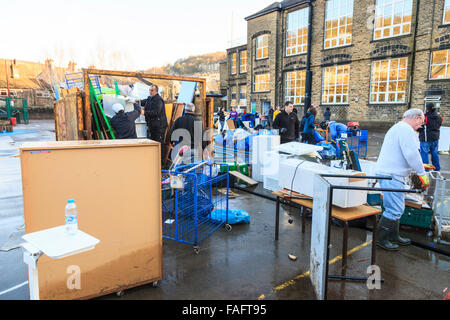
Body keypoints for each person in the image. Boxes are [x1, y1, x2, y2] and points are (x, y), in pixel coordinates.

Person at [374, 108, 430, 251]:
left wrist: (420, 166)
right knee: (394, 208)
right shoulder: (406, 129)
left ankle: (393, 236)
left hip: (390, 173)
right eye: (421, 122)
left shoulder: (399, 128)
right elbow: (411, 153)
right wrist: (421, 173)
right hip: (391, 174)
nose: (421, 125)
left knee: (397, 207)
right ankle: (381, 239)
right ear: (417, 118)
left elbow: (401, 153)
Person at [142, 84, 168, 162]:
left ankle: (162, 163)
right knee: (153, 143)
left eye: (152, 90)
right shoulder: (149, 99)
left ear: (156, 91)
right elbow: (142, 102)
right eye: (149, 90)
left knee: (160, 144)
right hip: (152, 126)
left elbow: (156, 112)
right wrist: (133, 101)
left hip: (159, 126)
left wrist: (144, 112)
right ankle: (155, 161)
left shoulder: (159, 100)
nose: (150, 92)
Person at [418, 103, 443, 171]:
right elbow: (439, 125)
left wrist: (418, 130)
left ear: (427, 108)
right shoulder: (439, 116)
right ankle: (437, 168)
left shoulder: (425, 116)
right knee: (435, 154)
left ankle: (426, 170)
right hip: (435, 138)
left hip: (426, 139)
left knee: (424, 154)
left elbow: (420, 127)